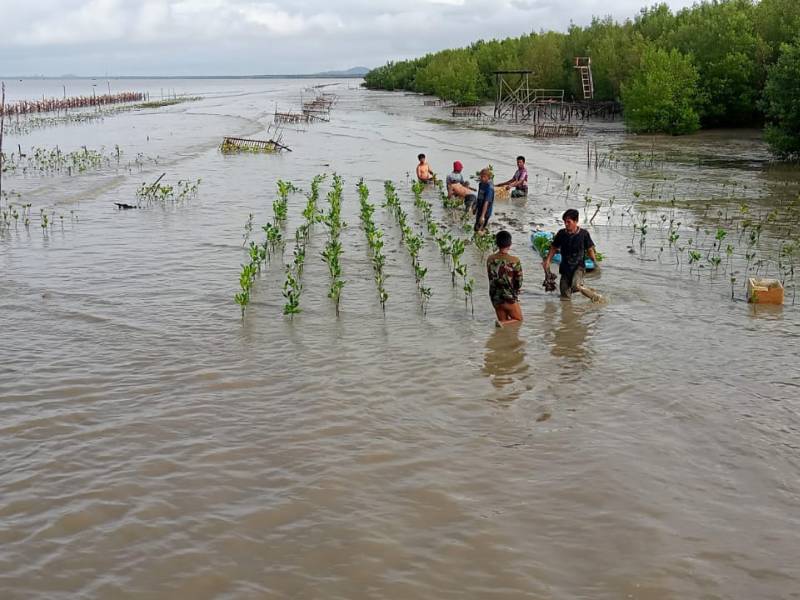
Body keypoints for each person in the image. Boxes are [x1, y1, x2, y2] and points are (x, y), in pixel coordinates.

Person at [543, 208, 598, 299]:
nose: (566, 224)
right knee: (564, 296)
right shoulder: (561, 234)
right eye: (565, 222)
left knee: (576, 286)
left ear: (576, 221)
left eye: (568, 222)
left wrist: (595, 262)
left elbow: (590, 249)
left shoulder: (584, 234)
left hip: (579, 266)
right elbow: (553, 247)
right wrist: (547, 260)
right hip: (565, 268)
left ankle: (596, 298)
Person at [487, 230, 523, 326]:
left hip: (494, 296)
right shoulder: (514, 261)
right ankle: (501, 323)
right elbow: (519, 281)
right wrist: (517, 289)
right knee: (519, 319)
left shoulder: (490, 259)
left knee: (504, 324)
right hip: (508, 296)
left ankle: (501, 327)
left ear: (497, 243)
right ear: (510, 244)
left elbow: (491, 276)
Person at [475, 168, 495, 232]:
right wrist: (475, 207)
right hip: (480, 208)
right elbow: (479, 196)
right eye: (481, 176)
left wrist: (483, 216)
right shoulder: (481, 184)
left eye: (484, 177)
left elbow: (486, 202)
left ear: (488, 177)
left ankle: (482, 235)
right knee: (476, 227)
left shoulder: (489, 188)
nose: (482, 178)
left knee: (480, 228)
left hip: (486, 212)